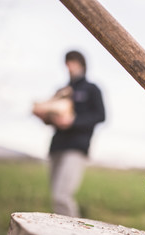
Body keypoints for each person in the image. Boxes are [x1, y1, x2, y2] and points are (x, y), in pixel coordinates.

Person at [33, 50, 105, 217]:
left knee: (62, 197)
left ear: (82, 65)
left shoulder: (92, 89)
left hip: (77, 147)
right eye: (67, 63)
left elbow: (101, 115)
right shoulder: (61, 91)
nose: (69, 66)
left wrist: (74, 121)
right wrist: (44, 116)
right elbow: (51, 117)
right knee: (55, 198)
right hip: (57, 146)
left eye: (73, 62)